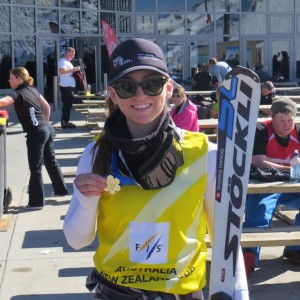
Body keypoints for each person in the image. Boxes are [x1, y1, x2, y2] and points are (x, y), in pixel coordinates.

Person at [63, 38, 248, 300]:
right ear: (113, 94)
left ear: (168, 88)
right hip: (115, 294)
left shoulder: (204, 153)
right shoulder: (96, 153)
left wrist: (239, 293)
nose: (140, 96)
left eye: (152, 84)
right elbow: (76, 240)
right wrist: (86, 199)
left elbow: (226, 239)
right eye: (127, 87)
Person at [243, 97, 300, 278]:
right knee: (259, 212)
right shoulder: (261, 130)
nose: (286, 125)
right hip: (264, 185)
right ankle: (249, 256)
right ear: (272, 118)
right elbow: (259, 162)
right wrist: (291, 168)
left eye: (290, 120)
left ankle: (295, 249)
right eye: (281, 121)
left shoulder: (298, 131)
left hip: (291, 185)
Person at [0, 67, 68, 210]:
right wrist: (45, 125)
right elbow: (47, 108)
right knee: (51, 161)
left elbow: (3, 102)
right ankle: (61, 190)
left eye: (11, 77)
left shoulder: (17, 93)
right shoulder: (33, 90)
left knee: (35, 168)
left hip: (36, 133)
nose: (8, 80)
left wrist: (40, 128)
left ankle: (36, 202)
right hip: (47, 129)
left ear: (19, 79)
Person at [58, 47, 80, 129]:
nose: (73, 56)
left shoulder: (67, 62)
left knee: (68, 105)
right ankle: (64, 122)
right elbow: (61, 71)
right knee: (66, 105)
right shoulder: (62, 61)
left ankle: (65, 121)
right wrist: (73, 69)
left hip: (69, 86)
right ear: (68, 53)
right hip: (66, 86)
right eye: (72, 54)